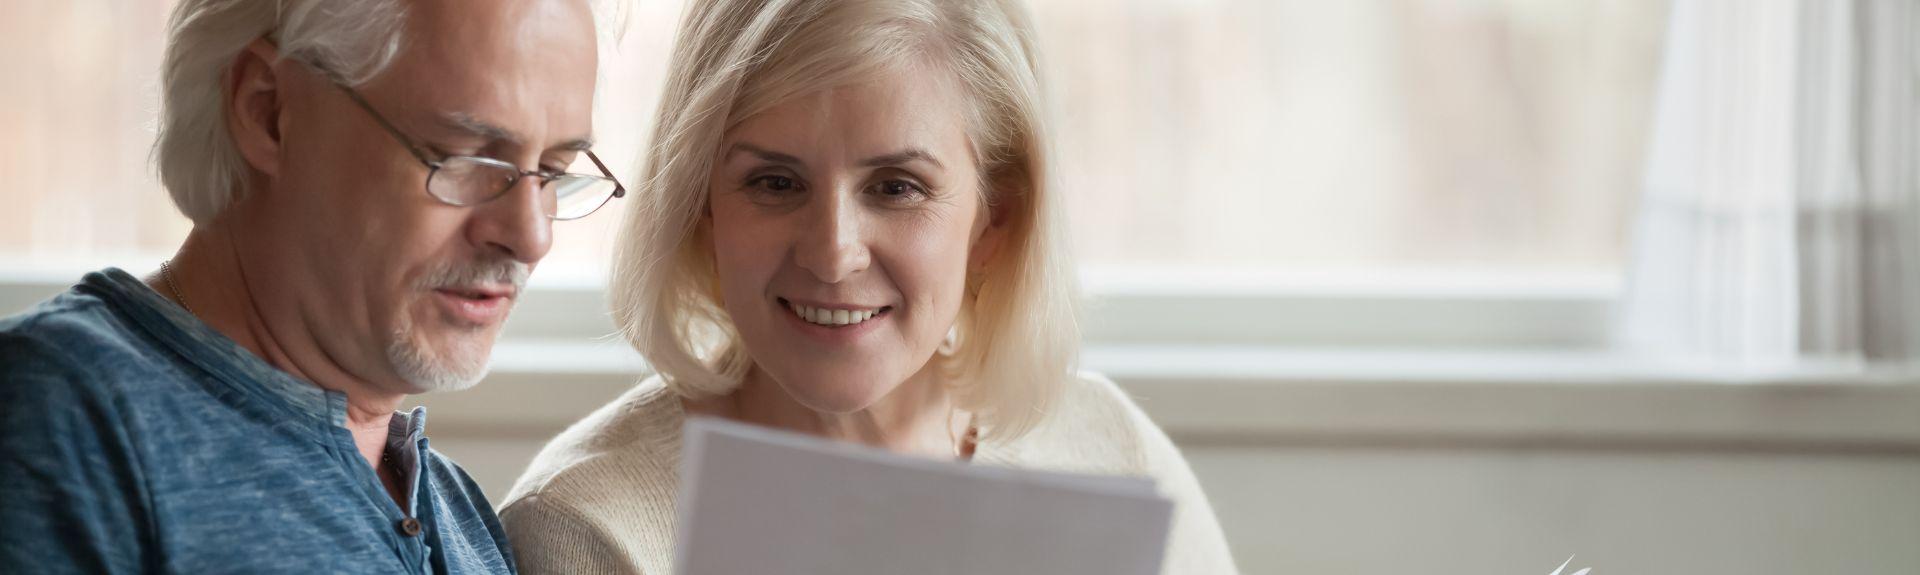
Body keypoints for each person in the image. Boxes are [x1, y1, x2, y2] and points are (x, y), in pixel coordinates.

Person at [498, 0, 1239, 573]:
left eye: (896, 186)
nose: (832, 253)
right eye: (775, 181)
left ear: (995, 218)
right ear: (702, 209)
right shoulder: (590, 526)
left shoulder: (1110, 451)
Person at [0, 0, 623, 572]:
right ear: (267, 112)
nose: (531, 236)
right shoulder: (57, 417)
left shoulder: (459, 515)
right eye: (464, 157)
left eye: (553, 172)